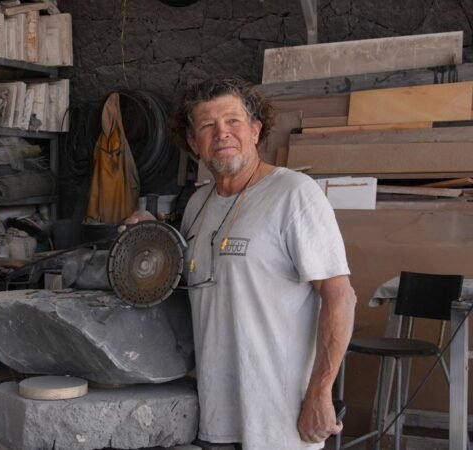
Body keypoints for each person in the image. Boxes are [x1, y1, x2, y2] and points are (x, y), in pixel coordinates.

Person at [124, 77, 356, 449]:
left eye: (233, 121)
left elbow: (340, 298)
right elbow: (196, 281)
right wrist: (154, 235)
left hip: (280, 416)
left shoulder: (294, 195)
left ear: (255, 129)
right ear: (192, 142)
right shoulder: (198, 205)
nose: (222, 134)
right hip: (215, 413)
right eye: (206, 126)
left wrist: (320, 393)